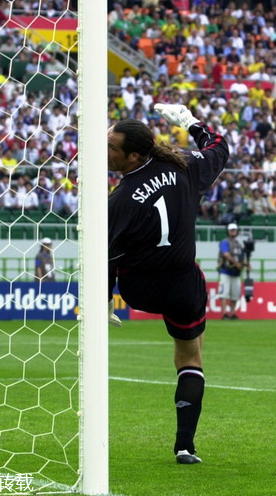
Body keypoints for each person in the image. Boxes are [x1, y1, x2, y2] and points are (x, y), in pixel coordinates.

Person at [108, 103, 229, 464]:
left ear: (132, 156)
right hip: (182, 284)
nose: (105, 150)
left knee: (190, 350)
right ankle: (185, 445)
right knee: (191, 355)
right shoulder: (186, 167)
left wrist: (103, 299)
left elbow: (108, 255)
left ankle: (185, 445)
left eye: (111, 146)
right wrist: (192, 123)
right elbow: (220, 148)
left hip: (138, 288)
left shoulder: (120, 200)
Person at [218, 222, 247, 320]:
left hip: (236, 272)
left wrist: (245, 264)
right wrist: (237, 263)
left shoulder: (239, 243)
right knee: (224, 293)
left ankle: (232, 313)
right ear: (228, 231)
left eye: (234, 230)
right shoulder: (224, 242)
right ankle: (224, 313)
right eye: (231, 230)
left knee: (235, 294)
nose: (233, 232)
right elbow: (225, 254)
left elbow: (243, 256)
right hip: (226, 270)